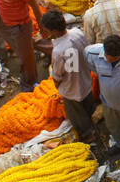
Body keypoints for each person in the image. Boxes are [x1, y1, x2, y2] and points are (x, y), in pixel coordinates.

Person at [40, 9, 95, 142]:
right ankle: (93, 122)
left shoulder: (59, 51)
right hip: (86, 79)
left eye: (46, 30)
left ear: (53, 31)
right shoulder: (77, 33)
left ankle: (87, 135)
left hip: (71, 88)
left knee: (76, 113)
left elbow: (58, 75)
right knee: (88, 104)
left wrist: (57, 84)